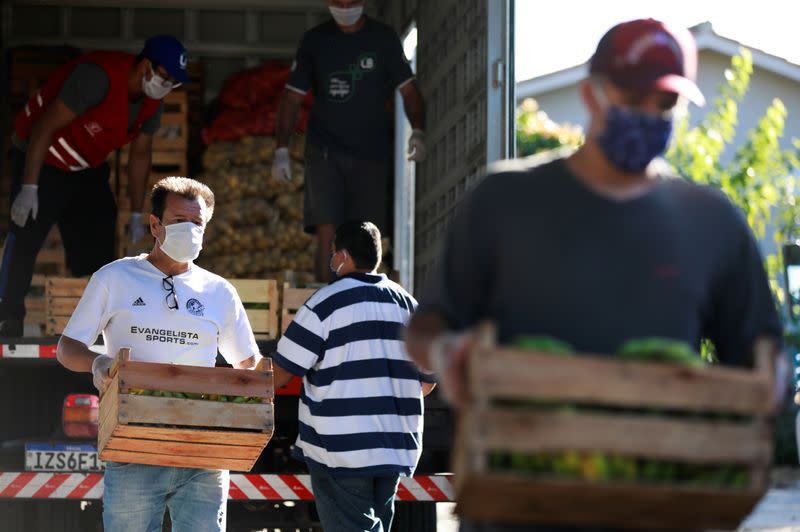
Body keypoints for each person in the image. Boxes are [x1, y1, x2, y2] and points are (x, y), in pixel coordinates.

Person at [405, 18, 787, 532]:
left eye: (665, 104)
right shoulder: (505, 202)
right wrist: (450, 355)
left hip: (655, 501)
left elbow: (761, 353)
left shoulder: (711, 222)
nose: (649, 115)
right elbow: (426, 326)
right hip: (519, 499)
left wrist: (770, 381)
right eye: (632, 98)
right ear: (591, 93)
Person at [56, 176, 261, 531]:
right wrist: (99, 363)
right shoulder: (115, 278)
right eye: (179, 221)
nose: (190, 230)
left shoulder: (220, 292)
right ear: (155, 224)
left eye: (197, 223)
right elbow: (67, 348)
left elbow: (248, 364)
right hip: (133, 444)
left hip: (203, 453)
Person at [0, 34, 189, 337]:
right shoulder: (97, 77)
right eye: (165, 77)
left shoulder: (152, 102)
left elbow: (140, 154)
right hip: (45, 155)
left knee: (100, 231)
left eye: (173, 83)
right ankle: (8, 317)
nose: (166, 87)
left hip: (86, 164)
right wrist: (29, 187)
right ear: (145, 66)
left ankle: (93, 322)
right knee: (25, 234)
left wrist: (139, 213)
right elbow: (44, 126)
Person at [272, 220, 435, 532]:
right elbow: (427, 381)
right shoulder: (409, 305)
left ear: (343, 256)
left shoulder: (325, 303)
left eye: (333, 253)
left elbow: (282, 372)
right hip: (394, 447)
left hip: (342, 450)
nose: (332, 259)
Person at [271, 0, 427, 282]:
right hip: (325, 151)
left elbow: (410, 91)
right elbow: (292, 97)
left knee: (367, 233)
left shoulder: (383, 39)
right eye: (337, 1)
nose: (344, 6)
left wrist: (418, 130)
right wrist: (281, 148)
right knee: (326, 229)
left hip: (371, 153)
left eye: (350, 1)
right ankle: (324, 297)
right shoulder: (315, 41)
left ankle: (365, 296)